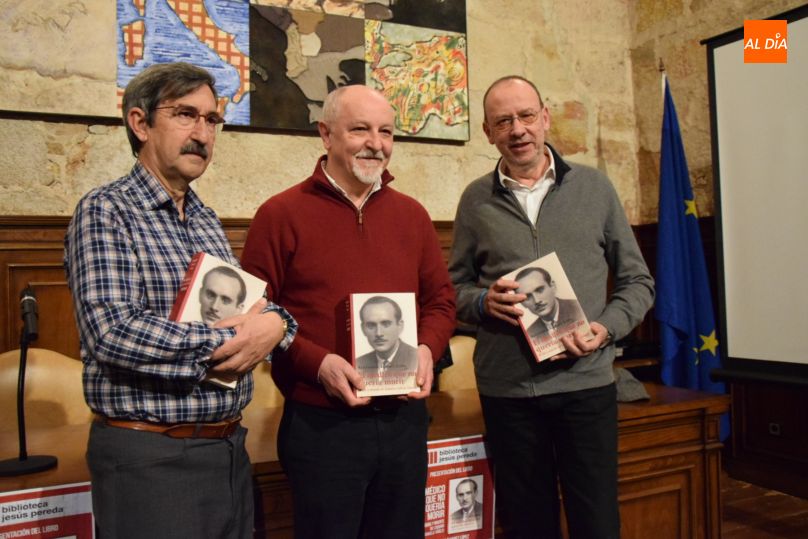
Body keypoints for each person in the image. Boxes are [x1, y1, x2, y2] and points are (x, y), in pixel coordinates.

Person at [64, 62, 297, 539]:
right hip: (151, 458)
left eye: (212, 120)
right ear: (140, 123)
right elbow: (114, 332)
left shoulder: (205, 219)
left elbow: (250, 311)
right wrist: (235, 339)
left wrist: (277, 325)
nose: (202, 133)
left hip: (227, 448)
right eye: (185, 115)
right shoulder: (106, 210)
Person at [241, 84, 456, 539]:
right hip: (322, 426)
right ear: (326, 134)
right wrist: (317, 364)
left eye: (386, 132)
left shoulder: (413, 216)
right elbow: (254, 314)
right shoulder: (280, 214)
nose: (375, 144)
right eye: (359, 129)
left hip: (404, 423)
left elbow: (441, 302)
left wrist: (426, 348)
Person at [448, 75, 654, 539]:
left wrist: (604, 328)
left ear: (545, 118)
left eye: (525, 116)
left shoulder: (595, 189)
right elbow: (451, 290)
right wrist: (482, 302)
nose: (517, 129)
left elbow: (638, 282)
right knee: (527, 523)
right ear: (488, 132)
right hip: (509, 391)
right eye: (503, 121)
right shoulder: (475, 200)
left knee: (596, 520)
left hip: (587, 384)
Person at [515, 266, 584, 342]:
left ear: (553, 286)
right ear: (522, 303)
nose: (537, 300)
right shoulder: (530, 333)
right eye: (527, 297)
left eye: (539, 290)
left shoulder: (579, 309)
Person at [355, 295, 418, 372]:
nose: (379, 333)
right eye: (371, 325)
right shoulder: (359, 363)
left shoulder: (415, 359)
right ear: (363, 329)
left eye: (386, 324)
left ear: (400, 326)